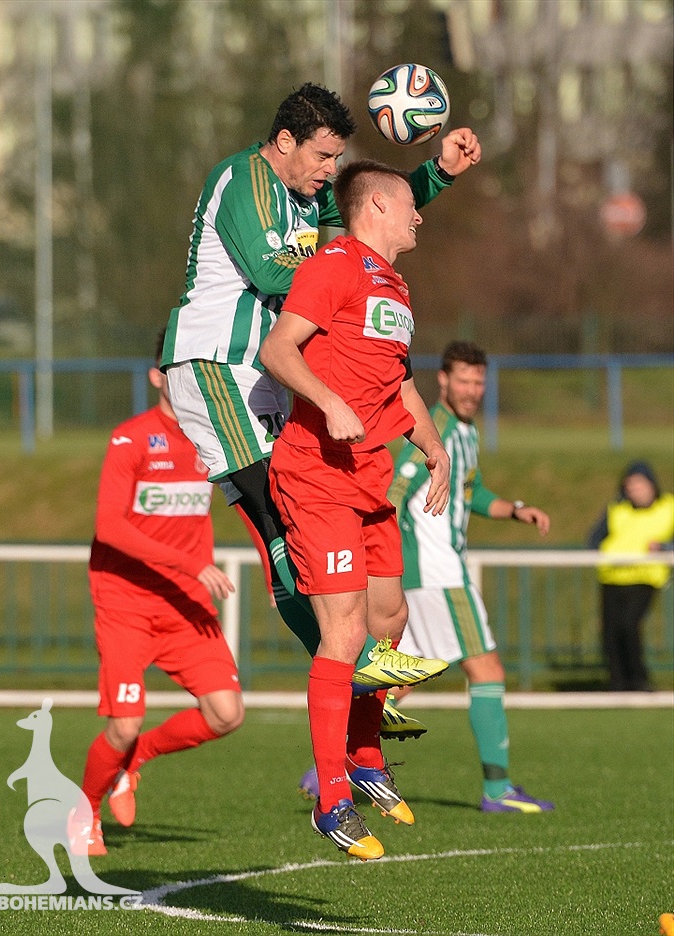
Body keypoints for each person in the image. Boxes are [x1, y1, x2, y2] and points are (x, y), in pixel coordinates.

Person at [160, 82, 481, 710]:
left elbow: (373, 212)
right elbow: (275, 271)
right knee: (281, 518)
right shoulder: (244, 180)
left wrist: (437, 173)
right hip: (217, 365)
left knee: (294, 527)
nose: (330, 172)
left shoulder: (308, 201)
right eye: (323, 157)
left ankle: (350, 674)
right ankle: (358, 667)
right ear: (286, 142)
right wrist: (343, 274)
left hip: (270, 378)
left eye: (338, 160)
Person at [259, 159, 460, 860]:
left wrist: (433, 445)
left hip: (370, 479)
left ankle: (368, 759)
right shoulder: (335, 263)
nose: (420, 216)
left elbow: (397, 382)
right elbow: (278, 349)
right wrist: (329, 401)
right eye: (411, 205)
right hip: (317, 475)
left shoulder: (396, 286)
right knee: (343, 635)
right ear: (376, 204)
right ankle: (332, 798)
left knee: (389, 619)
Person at [300, 340, 556, 814]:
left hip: (431, 573)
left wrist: (515, 510)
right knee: (486, 669)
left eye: (479, 381)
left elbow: (470, 492)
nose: (472, 389)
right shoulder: (432, 427)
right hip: (437, 572)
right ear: (443, 380)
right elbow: (391, 490)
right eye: (464, 379)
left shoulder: (464, 431)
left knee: (397, 680)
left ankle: (329, 764)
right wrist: (384, 566)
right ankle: (497, 790)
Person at [68, 331, 269, 856]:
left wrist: (276, 567)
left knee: (227, 713)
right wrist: (188, 562)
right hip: (126, 603)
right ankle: (85, 808)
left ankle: (136, 761)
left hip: (185, 605)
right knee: (123, 722)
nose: (182, 379)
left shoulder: (213, 440)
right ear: (158, 375)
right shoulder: (131, 439)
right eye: (172, 369)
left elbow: (249, 505)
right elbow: (109, 527)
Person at [587, 461, 674, 692]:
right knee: (611, 631)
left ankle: (638, 680)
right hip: (612, 577)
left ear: (652, 485)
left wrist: (665, 547)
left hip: (645, 577)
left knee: (629, 625)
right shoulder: (617, 509)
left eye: (640, 484)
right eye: (631, 485)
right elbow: (594, 539)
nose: (635, 490)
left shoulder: (669, 507)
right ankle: (617, 682)